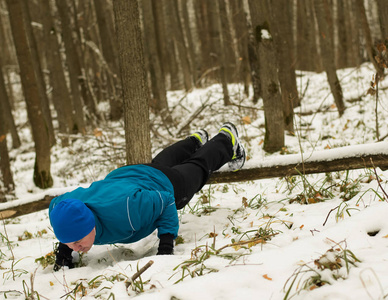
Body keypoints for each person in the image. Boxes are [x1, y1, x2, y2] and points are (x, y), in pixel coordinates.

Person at [49, 122, 246, 270]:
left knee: (197, 168)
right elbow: (61, 212)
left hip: (165, 185)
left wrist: (167, 244)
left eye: (77, 242)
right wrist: (65, 251)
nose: (77, 248)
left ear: (88, 223)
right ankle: (194, 141)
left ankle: (227, 139)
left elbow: (165, 200)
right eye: (71, 242)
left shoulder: (127, 209)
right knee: (159, 164)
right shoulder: (64, 209)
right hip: (127, 176)